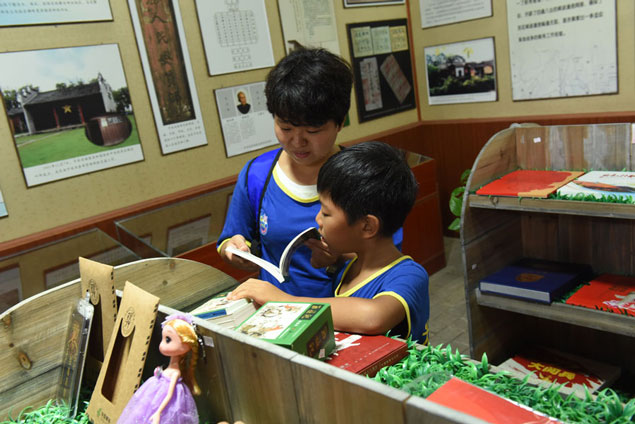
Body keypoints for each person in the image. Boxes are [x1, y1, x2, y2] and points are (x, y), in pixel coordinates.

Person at [228, 142, 430, 344]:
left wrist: (283, 300)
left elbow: (373, 316)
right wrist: (335, 262)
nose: (317, 219)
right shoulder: (350, 267)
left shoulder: (410, 274)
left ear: (367, 226)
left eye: (326, 213)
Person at [218, 47, 354, 298]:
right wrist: (233, 249)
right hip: (275, 315)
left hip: (344, 315)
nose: (297, 142)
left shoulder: (362, 178)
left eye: (312, 131)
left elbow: (387, 264)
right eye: (285, 128)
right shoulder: (257, 174)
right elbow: (229, 240)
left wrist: (339, 258)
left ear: (340, 121)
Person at [118, 314, 200, 424]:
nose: (162, 345)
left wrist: (158, 412)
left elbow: (169, 395)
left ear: (186, 345)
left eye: (168, 340)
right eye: (164, 339)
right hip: (154, 391)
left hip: (165, 400)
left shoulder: (176, 373)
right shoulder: (170, 368)